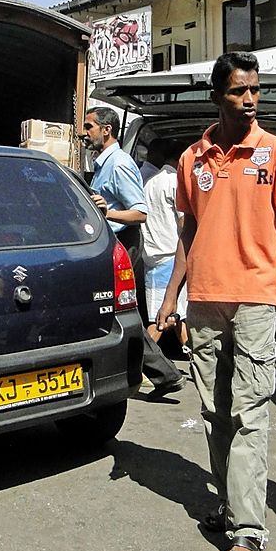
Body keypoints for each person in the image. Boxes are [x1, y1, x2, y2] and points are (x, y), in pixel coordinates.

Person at [155, 51, 276, 551]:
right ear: (216, 96)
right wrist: (168, 298)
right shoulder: (191, 159)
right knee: (213, 411)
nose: (250, 101)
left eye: (254, 91)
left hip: (254, 299)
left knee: (249, 413)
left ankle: (249, 530)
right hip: (204, 299)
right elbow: (188, 233)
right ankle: (229, 505)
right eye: (238, 91)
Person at [82, 106, 185, 399]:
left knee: (122, 312)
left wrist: (108, 212)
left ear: (106, 130)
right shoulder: (104, 163)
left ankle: (163, 373)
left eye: (89, 127)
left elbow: (140, 213)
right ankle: (165, 374)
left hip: (124, 243)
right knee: (121, 311)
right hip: (111, 244)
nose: (84, 134)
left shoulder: (119, 164)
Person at [141, 138, 189, 352]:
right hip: (170, 254)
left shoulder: (150, 181)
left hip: (152, 253)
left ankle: (193, 355)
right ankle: (142, 363)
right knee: (161, 318)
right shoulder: (175, 182)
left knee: (177, 313)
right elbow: (183, 223)